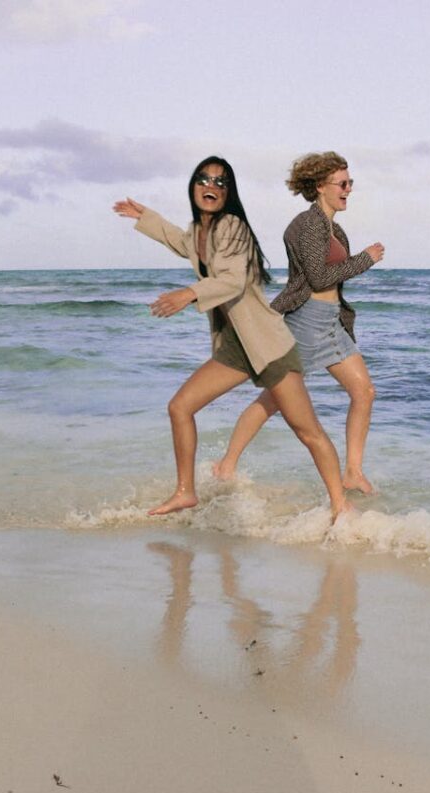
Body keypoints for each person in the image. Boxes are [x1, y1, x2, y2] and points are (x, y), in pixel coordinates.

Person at [113, 156, 352, 520]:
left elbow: (233, 280)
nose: (211, 187)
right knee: (180, 407)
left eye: (220, 183)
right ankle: (185, 492)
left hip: (269, 346)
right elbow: (180, 241)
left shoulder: (233, 227)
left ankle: (341, 506)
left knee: (308, 431)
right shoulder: (200, 231)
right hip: (236, 348)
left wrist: (188, 293)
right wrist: (146, 216)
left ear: (229, 193)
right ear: (193, 186)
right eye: (204, 180)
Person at [213, 151, 384, 493]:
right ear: (320, 186)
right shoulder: (306, 225)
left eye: (350, 183)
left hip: (331, 323)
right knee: (276, 399)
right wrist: (365, 259)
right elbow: (319, 278)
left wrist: (357, 261)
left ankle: (352, 471)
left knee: (364, 391)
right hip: (306, 322)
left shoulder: (334, 228)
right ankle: (226, 464)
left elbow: (332, 277)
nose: (348, 189)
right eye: (342, 184)